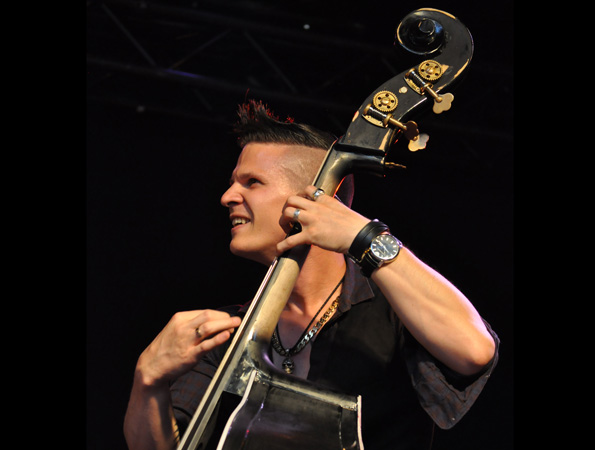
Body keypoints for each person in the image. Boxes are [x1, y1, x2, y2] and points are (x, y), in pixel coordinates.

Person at [123, 100, 499, 450]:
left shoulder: (395, 311)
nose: (227, 196)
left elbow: (474, 350)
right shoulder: (228, 334)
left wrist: (365, 237)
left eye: (252, 182)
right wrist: (148, 381)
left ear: (314, 199)